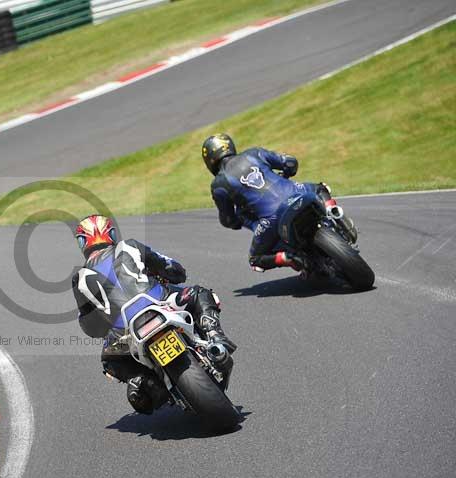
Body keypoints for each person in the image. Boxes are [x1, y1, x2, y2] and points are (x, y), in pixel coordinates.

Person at [71, 214, 236, 415]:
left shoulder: (79, 279)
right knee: (199, 293)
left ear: (82, 243)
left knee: (110, 361)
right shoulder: (129, 246)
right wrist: (176, 274)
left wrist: (104, 324)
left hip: (124, 331)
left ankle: (142, 380)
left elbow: (90, 326)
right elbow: (169, 266)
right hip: (161, 302)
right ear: (111, 234)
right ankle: (214, 335)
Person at [202, 133, 355, 272]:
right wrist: (286, 174)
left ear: (209, 160)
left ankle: (288, 258)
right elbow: (290, 162)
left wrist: (237, 221)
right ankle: (333, 213)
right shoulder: (254, 153)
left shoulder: (218, 184)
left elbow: (228, 219)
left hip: (270, 220)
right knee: (321, 188)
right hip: (297, 192)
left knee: (255, 260)